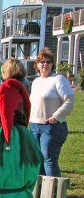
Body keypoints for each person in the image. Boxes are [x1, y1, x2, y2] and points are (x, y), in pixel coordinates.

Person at [29, 48, 75, 177]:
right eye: (42, 61)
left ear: (52, 64)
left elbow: (70, 99)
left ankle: (53, 192)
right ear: (37, 65)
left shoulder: (58, 79)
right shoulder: (36, 82)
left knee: (48, 159)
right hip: (34, 126)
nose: (45, 64)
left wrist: (56, 116)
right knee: (36, 159)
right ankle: (39, 191)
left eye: (48, 62)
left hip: (51, 126)